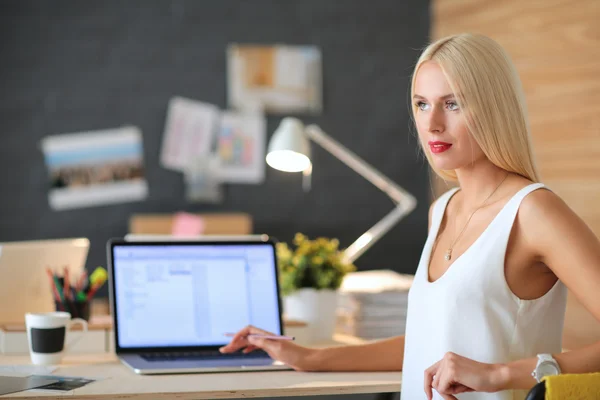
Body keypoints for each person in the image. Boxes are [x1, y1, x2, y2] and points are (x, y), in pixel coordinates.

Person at [220, 33, 600, 399]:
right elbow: (429, 338)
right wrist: (309, 357)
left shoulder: (534, 211)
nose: (432, 123)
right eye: (421, 104)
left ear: (494, 108)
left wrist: (501, 374)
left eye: (452, 104)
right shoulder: (443, 210)